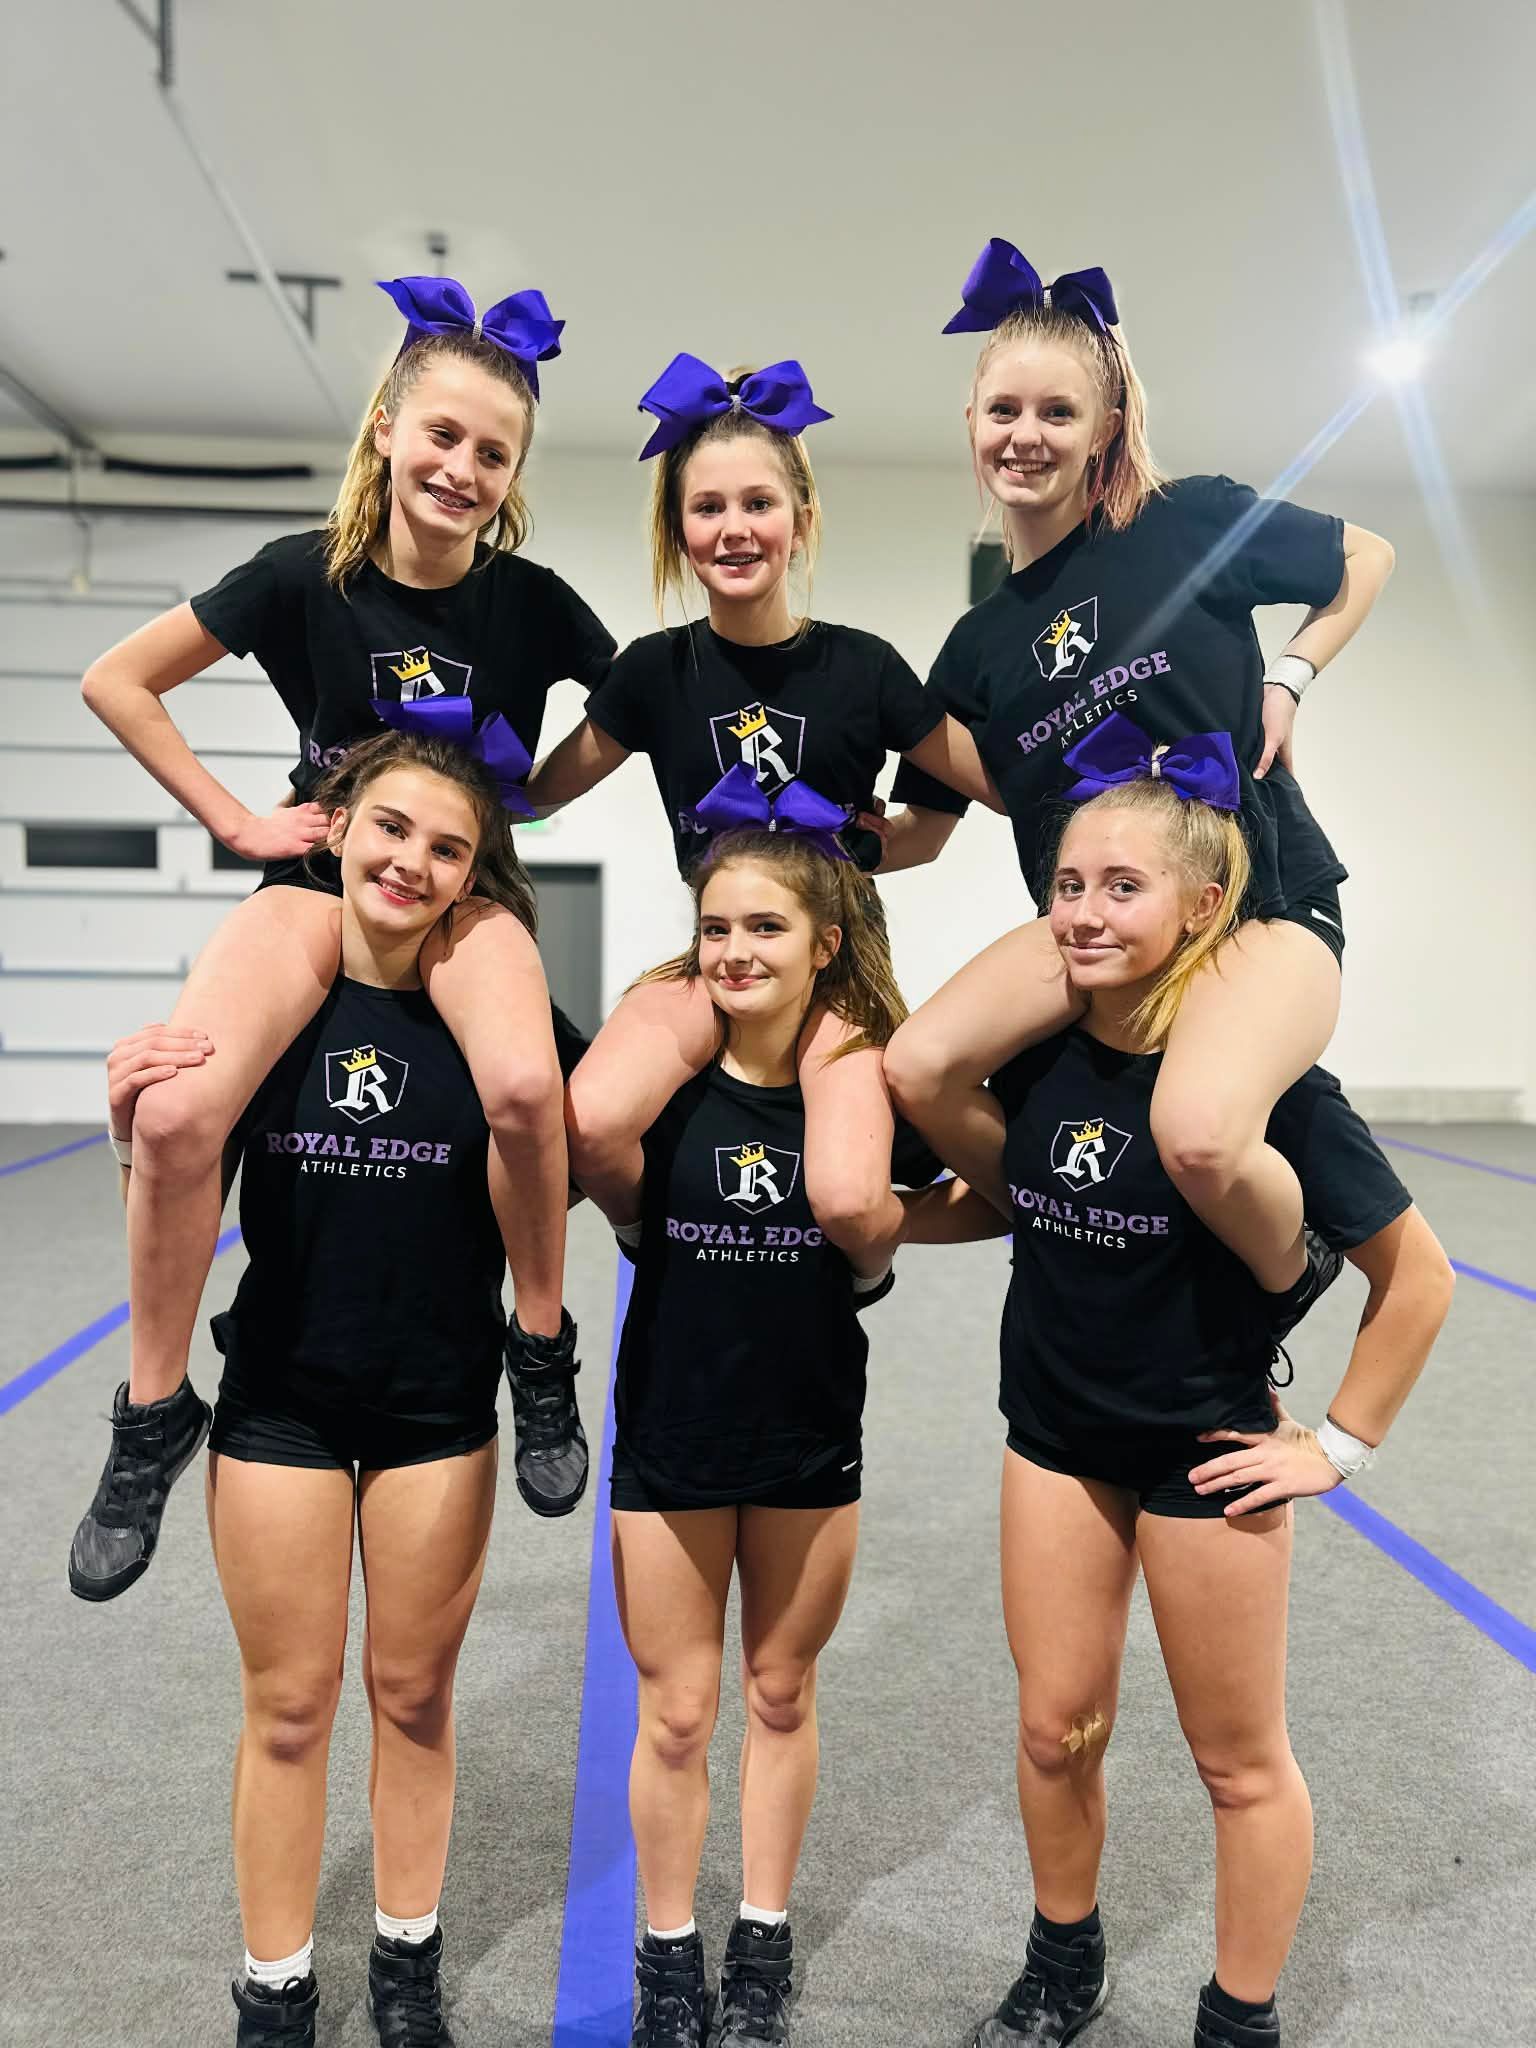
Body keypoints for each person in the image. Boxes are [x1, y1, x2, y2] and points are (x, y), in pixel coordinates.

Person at [70, 276, 614, 1603]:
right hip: (321, 874)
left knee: (527, 1085)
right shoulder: (301, 576)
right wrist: (236, 825)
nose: (462, 468)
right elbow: (116, 680)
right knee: (186, 1113)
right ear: (387, 428)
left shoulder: (529, 604)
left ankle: (536, 1348)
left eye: (494, 452)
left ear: (513, 473)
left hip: (466, 887)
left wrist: (531, 793)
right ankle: (153, 1408)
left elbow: (643, 704)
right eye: (442, 435)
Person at [898, 760, 1454, 2047]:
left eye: (1123, 887)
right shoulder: (1033, 1062)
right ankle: (1062, 1959)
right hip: (1054, 1437)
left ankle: (1238, 2014)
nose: (1085, 911)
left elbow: (1416, 1279)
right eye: (1068, 884)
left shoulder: (1270, 1099)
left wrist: (1341, 1443)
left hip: (1208, 1452)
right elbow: (1010, 1195)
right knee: (1055, 1727)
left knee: (1236, 1758)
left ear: (1204, 907)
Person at [102, 726, 589, 2046]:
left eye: (448, 846)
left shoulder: (500, 1022)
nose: (413, 861)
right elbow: (177, 1168)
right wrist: (124, 1123)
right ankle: (275, 1988)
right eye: (392, 830)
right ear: (336, 828)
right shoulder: (275, 1000)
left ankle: (408, 1963)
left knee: (415, 1694)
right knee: (290, 1702)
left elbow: (576, 1143)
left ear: (475, 872)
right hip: (282, 1399)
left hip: (437, 1403)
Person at [883, 236, 1398, 1317]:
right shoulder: (974, 649)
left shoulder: (1185, 522)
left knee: (1200, 1133)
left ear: (1106, 425)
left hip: (1254, 898)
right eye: (1004, 410)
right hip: (1101, 925)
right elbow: (922, 830)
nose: (1026, 436)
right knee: (921, 1066)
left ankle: (1287, 1268)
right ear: (972, 424)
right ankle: (1046, 1210)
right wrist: (802, 827)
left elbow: (1366, 556)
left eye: (1058, 413)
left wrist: (1292, 678)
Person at [524, 351, 997, 1289]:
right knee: (592, 1123)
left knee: (851, 1201)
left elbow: (981, 797)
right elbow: (532, 796)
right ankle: (640, 1236)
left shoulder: (862, 667)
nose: (734, 529)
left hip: (838, 963)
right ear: (678, 527)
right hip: (722, 953)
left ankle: (862, 1277)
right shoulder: (655, 672)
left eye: (758, 504)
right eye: (708, 508)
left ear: (800, 521)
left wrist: (858, 845)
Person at [584, 823, 932, 2048]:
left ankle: (763, 1934)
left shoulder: (869, 1087)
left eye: (766, 926)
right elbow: (567, 1141)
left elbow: (961, 1190)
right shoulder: (662, 1083)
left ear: (827, 942)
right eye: (716, 927)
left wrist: (882, 1249)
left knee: (780, 1690)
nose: (734, 950)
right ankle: (669, 1951)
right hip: (673, 1429)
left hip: (807, 1433)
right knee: (676, 1711)